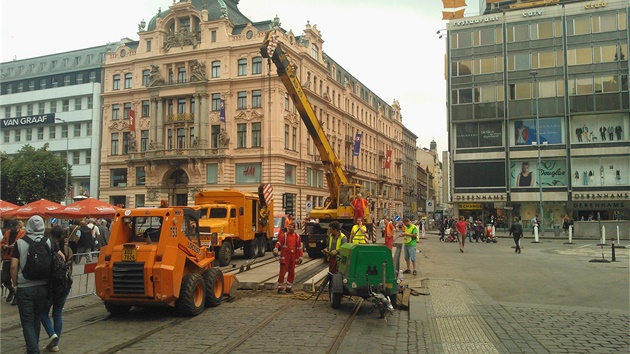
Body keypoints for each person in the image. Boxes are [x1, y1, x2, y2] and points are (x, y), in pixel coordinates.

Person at [11, 215, 64, 354]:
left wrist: (15, 284)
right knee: (36, 318)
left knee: (27, 322)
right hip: (44, 286)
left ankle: (33, 350)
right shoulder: (49, 241)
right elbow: (62, 258)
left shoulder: (20, 243)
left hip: (25, 287)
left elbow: (13, 266)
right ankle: (32, 348)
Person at [41, 225, 73, 352]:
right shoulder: (67, 250)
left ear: (50, 235)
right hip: (65, 284)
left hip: (51, 286)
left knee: (43, 312)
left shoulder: (48, 247)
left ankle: (51, 333)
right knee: (57, 313)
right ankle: (55, 343)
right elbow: (70, 268)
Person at [273, 222, 302, 294]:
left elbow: (299, 248)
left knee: (292, 272)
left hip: (292, 257)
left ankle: (289, 287)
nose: (289, 228)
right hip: (285, 257)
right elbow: (278, 243)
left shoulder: (297, 237)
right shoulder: (285, 236)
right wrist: (276, 248)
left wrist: (300, 256)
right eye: (288, 227)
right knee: (282, 272)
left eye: (291, 227)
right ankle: (280, 288)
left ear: (294, 228)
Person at [1, 220, 25, 304]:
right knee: (5, 277)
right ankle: (11, 289)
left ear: (17, 226)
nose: (11, 228)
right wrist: (4, 246)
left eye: (12, 227)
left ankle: (16, 295)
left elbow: (23, 243)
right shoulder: (7, 233)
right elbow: (2, 243)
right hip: (7, 257)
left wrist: (15, 245)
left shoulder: (22, 233)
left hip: (17, 258)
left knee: (17, 278)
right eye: (10, 227)